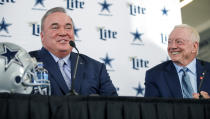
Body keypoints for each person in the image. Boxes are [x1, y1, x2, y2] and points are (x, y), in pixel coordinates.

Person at [29, 7, 118, 96]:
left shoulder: (96, 68)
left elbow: (113, 105)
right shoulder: (26, 63)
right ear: (42, 36)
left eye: (68, 28)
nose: (63, 33)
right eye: (55, 27)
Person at [144, 24, 210, 98]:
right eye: (169, 42)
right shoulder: (155, 75)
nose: (172, 46)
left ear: (194, 47)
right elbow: (151, 108)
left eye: (179, 42)